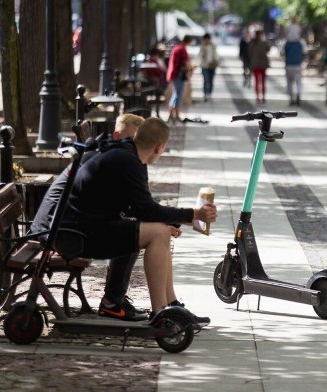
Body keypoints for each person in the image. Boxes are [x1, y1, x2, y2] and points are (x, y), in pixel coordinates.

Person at [62, 117, 217, 321]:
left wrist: (167, 221)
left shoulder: (129, 155)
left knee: (160, 230)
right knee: (159, 232)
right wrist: (193, 215)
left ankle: (170, 306)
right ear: (159, 147)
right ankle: (162, 313)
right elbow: (146, 210)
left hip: (84, 226)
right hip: (78, 235)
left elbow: (141, 208)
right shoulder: (128, 161)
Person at [30, 113, 147, 321]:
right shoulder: (105, 158)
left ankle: (114, 300)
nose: (138, 147)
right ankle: (112, 302)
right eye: (133, 140)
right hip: (57, 232)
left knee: (132, 230)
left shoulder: (107, 154)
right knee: (132, 235)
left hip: (56, 225)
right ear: (118, 135)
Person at [165, 35, 193, 123]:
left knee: (175, 94)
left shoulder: (177, 48)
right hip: (178, 75)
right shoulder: (182, 49)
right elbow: (186, 63)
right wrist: (191, 69)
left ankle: (171, 114)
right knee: (178, 94)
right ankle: (176, 114)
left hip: (174, 73)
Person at [248, 29, 270, 104]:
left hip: (255, 64)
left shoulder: (252, 43)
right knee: (263, 82)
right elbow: (268, 49)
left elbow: (249, 53)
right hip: (263, 64)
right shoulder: (264, 43)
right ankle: (263, 97)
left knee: (257, 81)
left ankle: (257, 97)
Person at [284, 31, 304, 106]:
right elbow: (302, 53)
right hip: (297, 65)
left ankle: (291, 98)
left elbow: (285, 53)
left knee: (290, 82)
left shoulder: (287, 43)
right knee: (298, 82)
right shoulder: (299, 44)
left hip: (289, 65)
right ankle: (298, 94)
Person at [198, 33, 219, 101]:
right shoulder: (202, 46)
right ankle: (205, 94)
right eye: (205, 39)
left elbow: (216, 55)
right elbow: (200, 55)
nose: (207, 40)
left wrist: (217, 62)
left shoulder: (213, 45)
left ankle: (209, 93)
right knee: (206, 80)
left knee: (211, 80)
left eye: (208, 39)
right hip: (204, 66)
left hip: (212, 65)